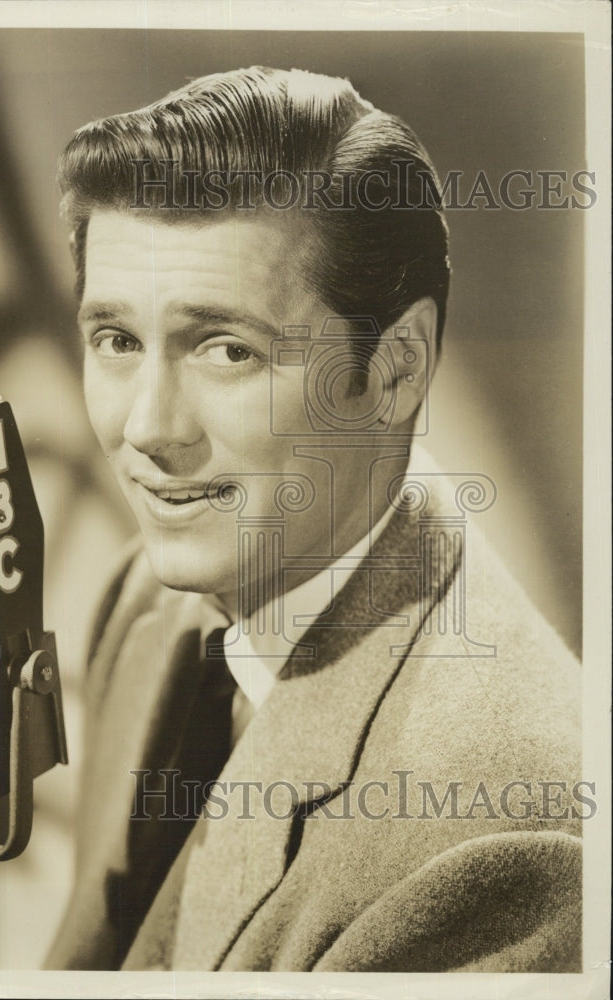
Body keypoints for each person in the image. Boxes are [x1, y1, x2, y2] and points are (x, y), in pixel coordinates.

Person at [46, 66, 582, 972]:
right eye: (118, 342)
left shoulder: (502, 838)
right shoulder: (150, 601)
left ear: (398, 369)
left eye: (226, 350)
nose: (145, 429)